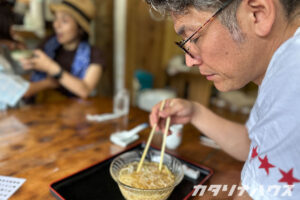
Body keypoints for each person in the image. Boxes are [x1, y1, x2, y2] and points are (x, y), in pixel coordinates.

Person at [147, 0, 300, 199]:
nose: (189, 60)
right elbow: (257, 147)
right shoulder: (282, 65)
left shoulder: (292, 80)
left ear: (258, 14)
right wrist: (195, 112)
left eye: (194, 37)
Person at [21, 0, 104, 101]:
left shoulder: (94, 54)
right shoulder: (48, 44)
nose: (56, 25)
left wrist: (51, 67)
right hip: (40, 108)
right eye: (56, 19)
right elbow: (32, 72)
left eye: (64, 21)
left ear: (80, 28)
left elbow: (85, 91)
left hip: (73, 113)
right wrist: (29, 62)